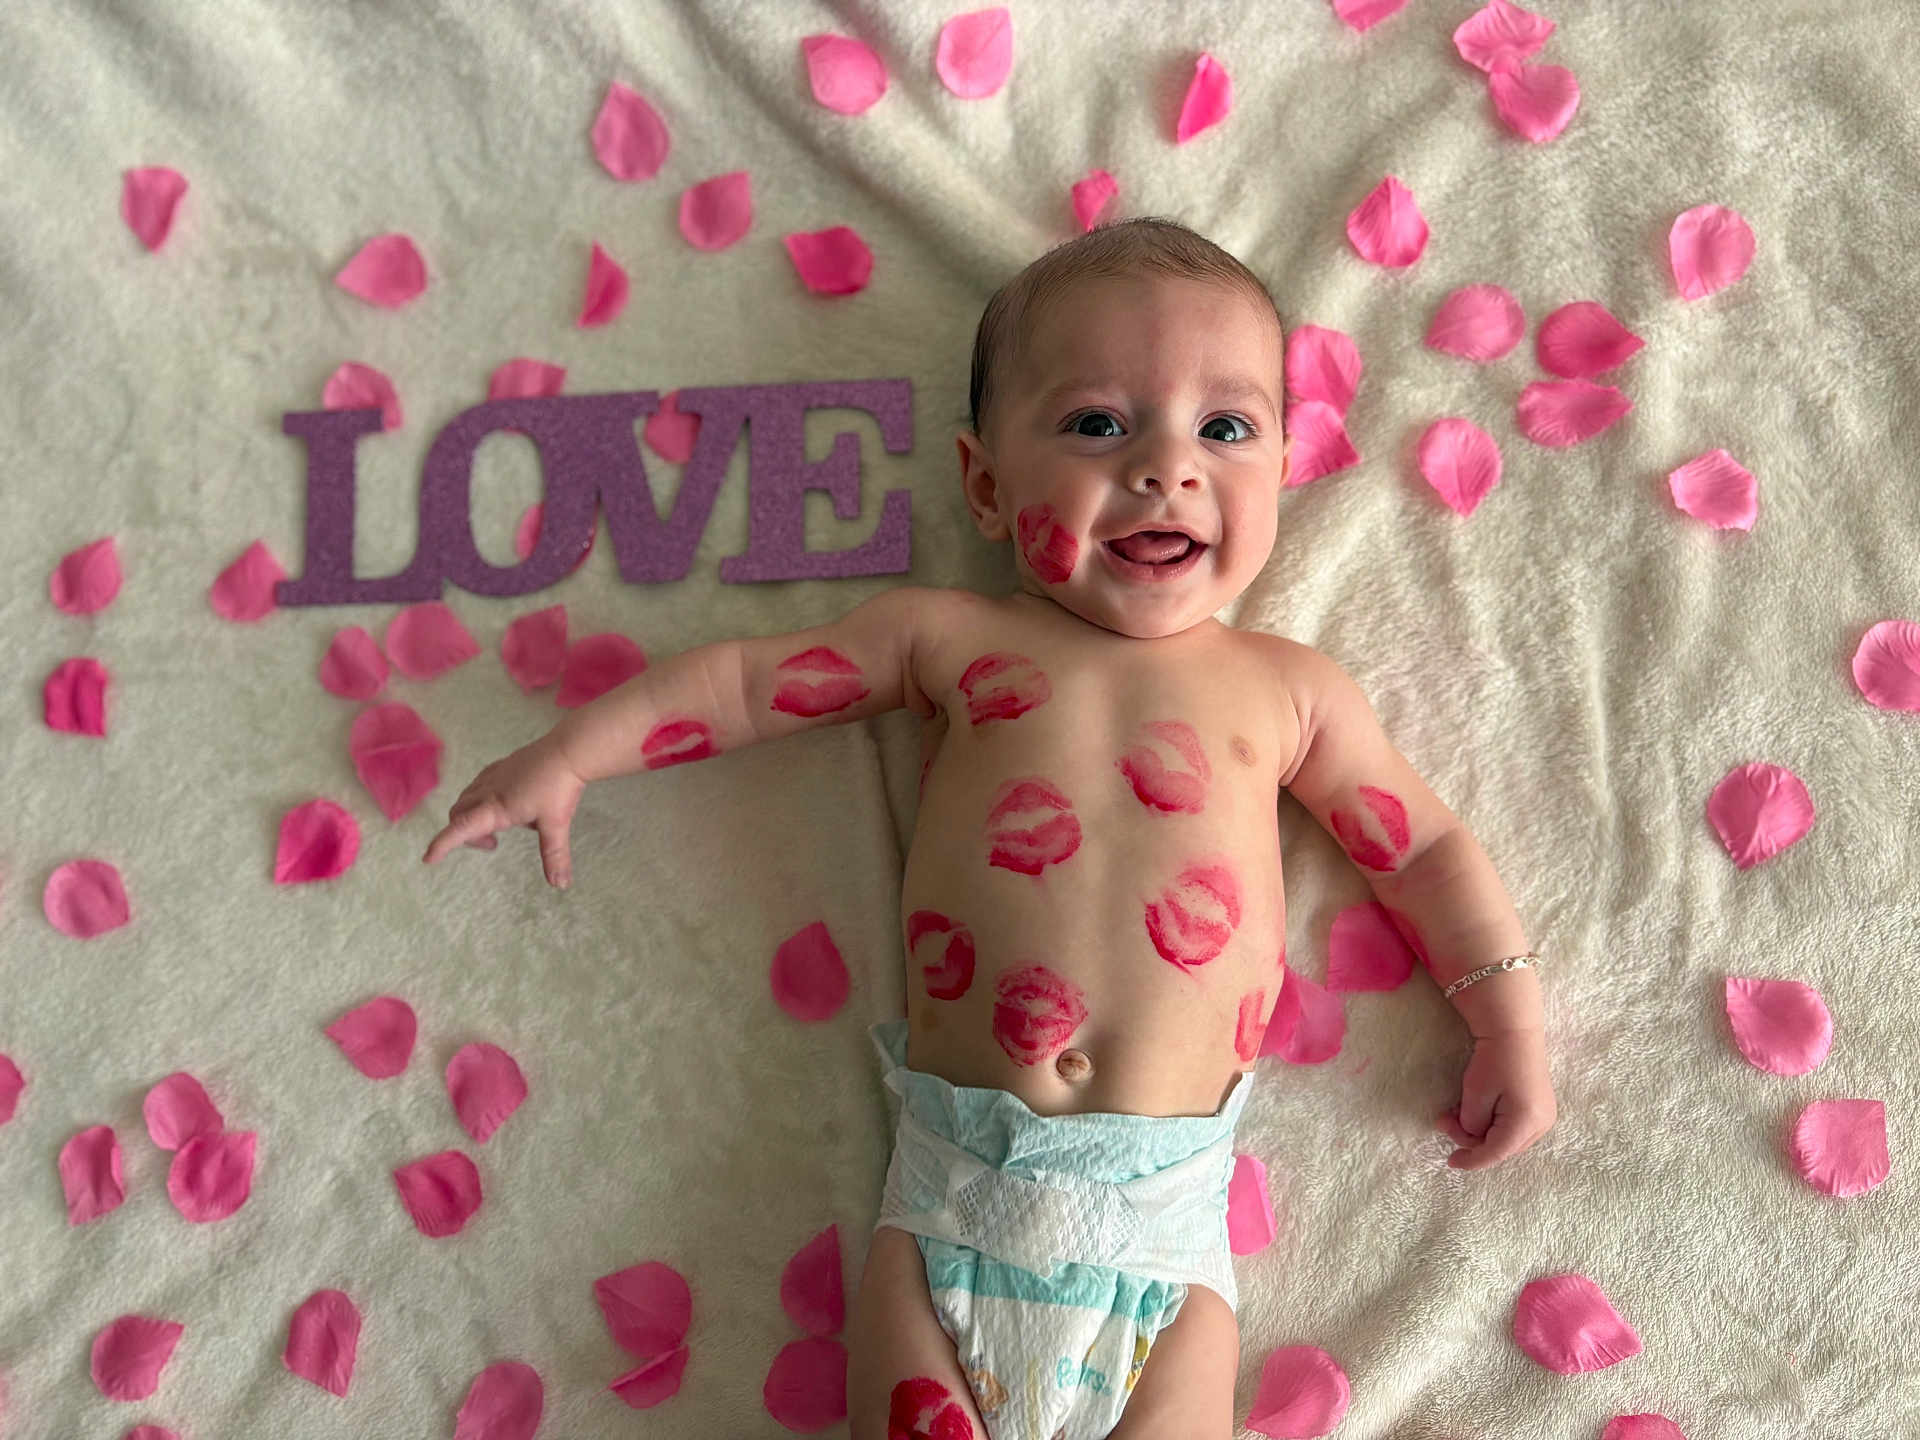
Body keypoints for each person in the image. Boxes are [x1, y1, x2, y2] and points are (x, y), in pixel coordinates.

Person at [423, 217, 1557, 1440]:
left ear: (1283, 467)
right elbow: (749, 686)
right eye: (1098, 423)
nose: (1165, 468)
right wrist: (571, 756)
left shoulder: (1291, 692)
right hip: (951, 1209)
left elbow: (1422, 851)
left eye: (1225, 429)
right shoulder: (951, 641)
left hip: (1166, 1238)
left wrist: (1506, 1018)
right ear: (985, 483)